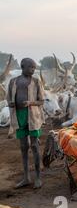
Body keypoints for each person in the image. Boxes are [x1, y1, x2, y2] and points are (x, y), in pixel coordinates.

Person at [7, 58, 45, 189]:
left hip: (33, 117)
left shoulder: (36, 81)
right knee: (23, 147)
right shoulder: (13, 82)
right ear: (23, 67)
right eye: (31, 68)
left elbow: (41, 101)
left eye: (34, 68)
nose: (33, 70)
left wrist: (30, 103)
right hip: (19, 116)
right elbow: (8, 99)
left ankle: (38, 178)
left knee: (34, 146)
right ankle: (26, 177)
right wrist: (11, 103)